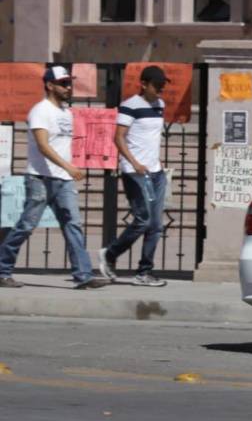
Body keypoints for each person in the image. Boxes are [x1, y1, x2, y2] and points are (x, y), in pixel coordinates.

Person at [0, 66, 108, 290]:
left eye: (69, 83)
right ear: (49, 85)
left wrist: (68, 169)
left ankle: (83, 275)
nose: (68, 87)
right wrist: (69, 166)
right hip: (40, 179)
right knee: (26, 226)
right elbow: (42, 145)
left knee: (73, 225)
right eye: (63, 83)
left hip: (63, 181)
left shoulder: (66, 113)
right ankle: (2, 270)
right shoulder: (41, 111)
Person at [99, 65, 170, 287]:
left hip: (155, 171)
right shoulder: (130, 106)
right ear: (143, 84)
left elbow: (150, 137)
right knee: (143, 220)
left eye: (162, 86)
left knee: (156, 225)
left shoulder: (160, 105)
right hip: (135, 172)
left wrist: (155, 162)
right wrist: (135, 163)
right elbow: (119, 138)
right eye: (156, 86)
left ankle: (144, 272)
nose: (160, 90)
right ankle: (110, 254)